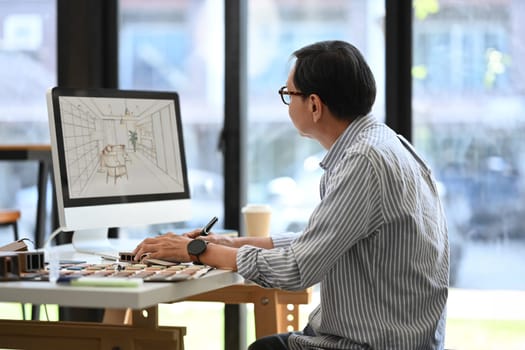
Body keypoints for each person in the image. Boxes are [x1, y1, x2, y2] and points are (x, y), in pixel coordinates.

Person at [132, 40, 449, 350]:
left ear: (314, 105)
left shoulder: (362, 162)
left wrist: (196, 250)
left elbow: (297, 270)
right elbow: (323, 240)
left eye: (288, 94)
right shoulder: (386, 144)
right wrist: (230, 243)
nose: (286, 102)